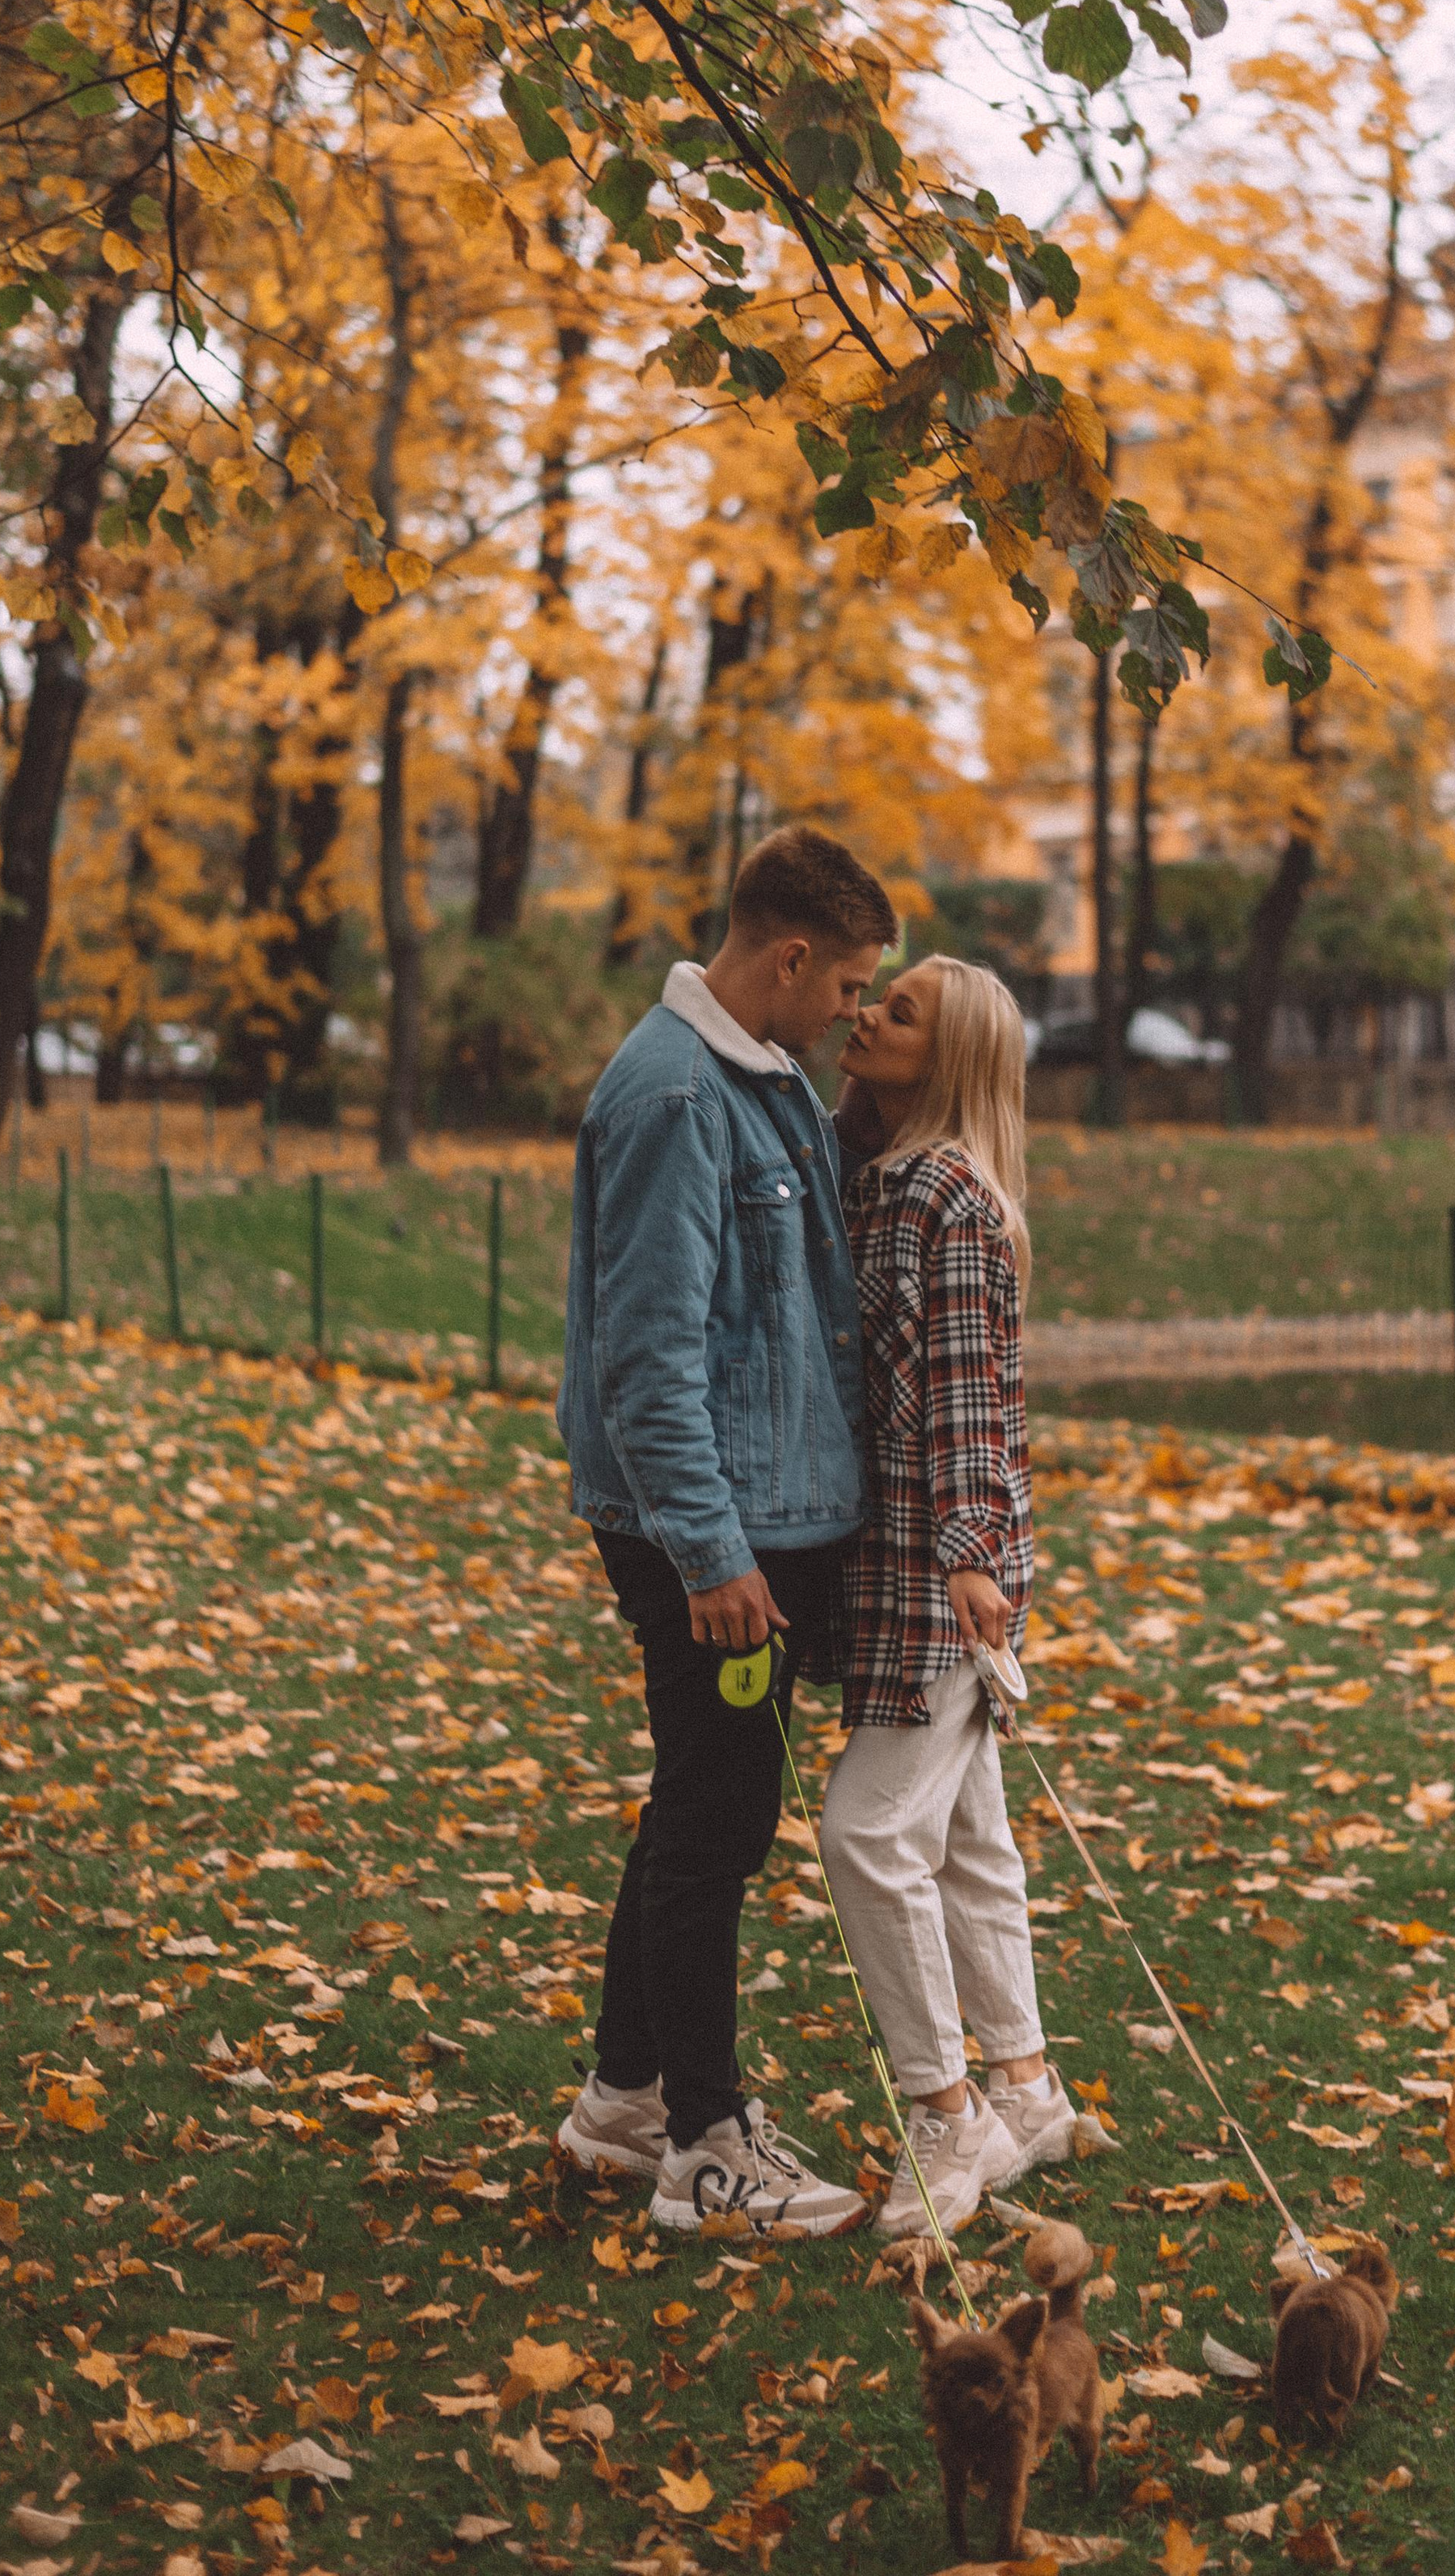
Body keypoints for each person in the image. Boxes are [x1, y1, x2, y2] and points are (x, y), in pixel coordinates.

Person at [555, 827, 898, 2234]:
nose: (856, 1011)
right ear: (790, 955)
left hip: (750, 1522)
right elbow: (647, 1356)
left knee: (699, 1798)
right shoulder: (680, 1096)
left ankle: (624, 2097)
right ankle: (704, 2144)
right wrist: (713, 1553)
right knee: (720, 1815)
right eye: (850, 983)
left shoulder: (763, 1083)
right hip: (708, 1534)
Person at [818, 955, 1076, 2237]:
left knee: (868, 1832)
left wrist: (974, 1548)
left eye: (898, 1009)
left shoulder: (948, 1197)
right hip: (901, 1567)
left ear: (954, 1055)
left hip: (938, 1577)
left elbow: (972, 1387)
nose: (865, 1013)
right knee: (971, 1839)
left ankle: (945, 2108)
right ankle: (1026, 2086)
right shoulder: (881, 1174)